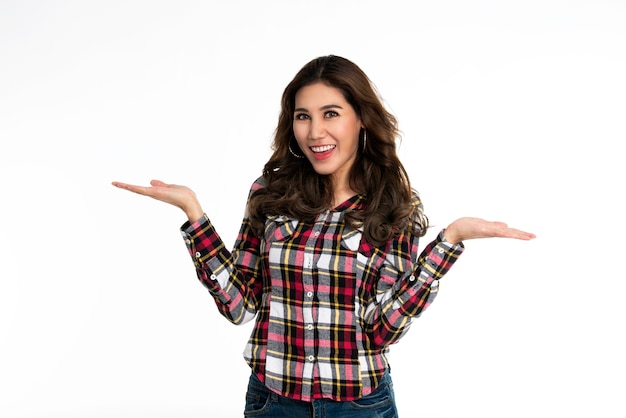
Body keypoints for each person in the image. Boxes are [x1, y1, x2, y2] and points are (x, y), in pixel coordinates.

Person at [112, 55, 535, 417]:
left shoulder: (391, 206)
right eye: (303, 116)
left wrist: (449, 242)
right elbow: (239, 305)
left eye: (331, 113)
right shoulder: (270, 195)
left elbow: (382, 329)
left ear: (361, 118)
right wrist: (194, 214)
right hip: (272, 402)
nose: (315, 132)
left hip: (360, 406)